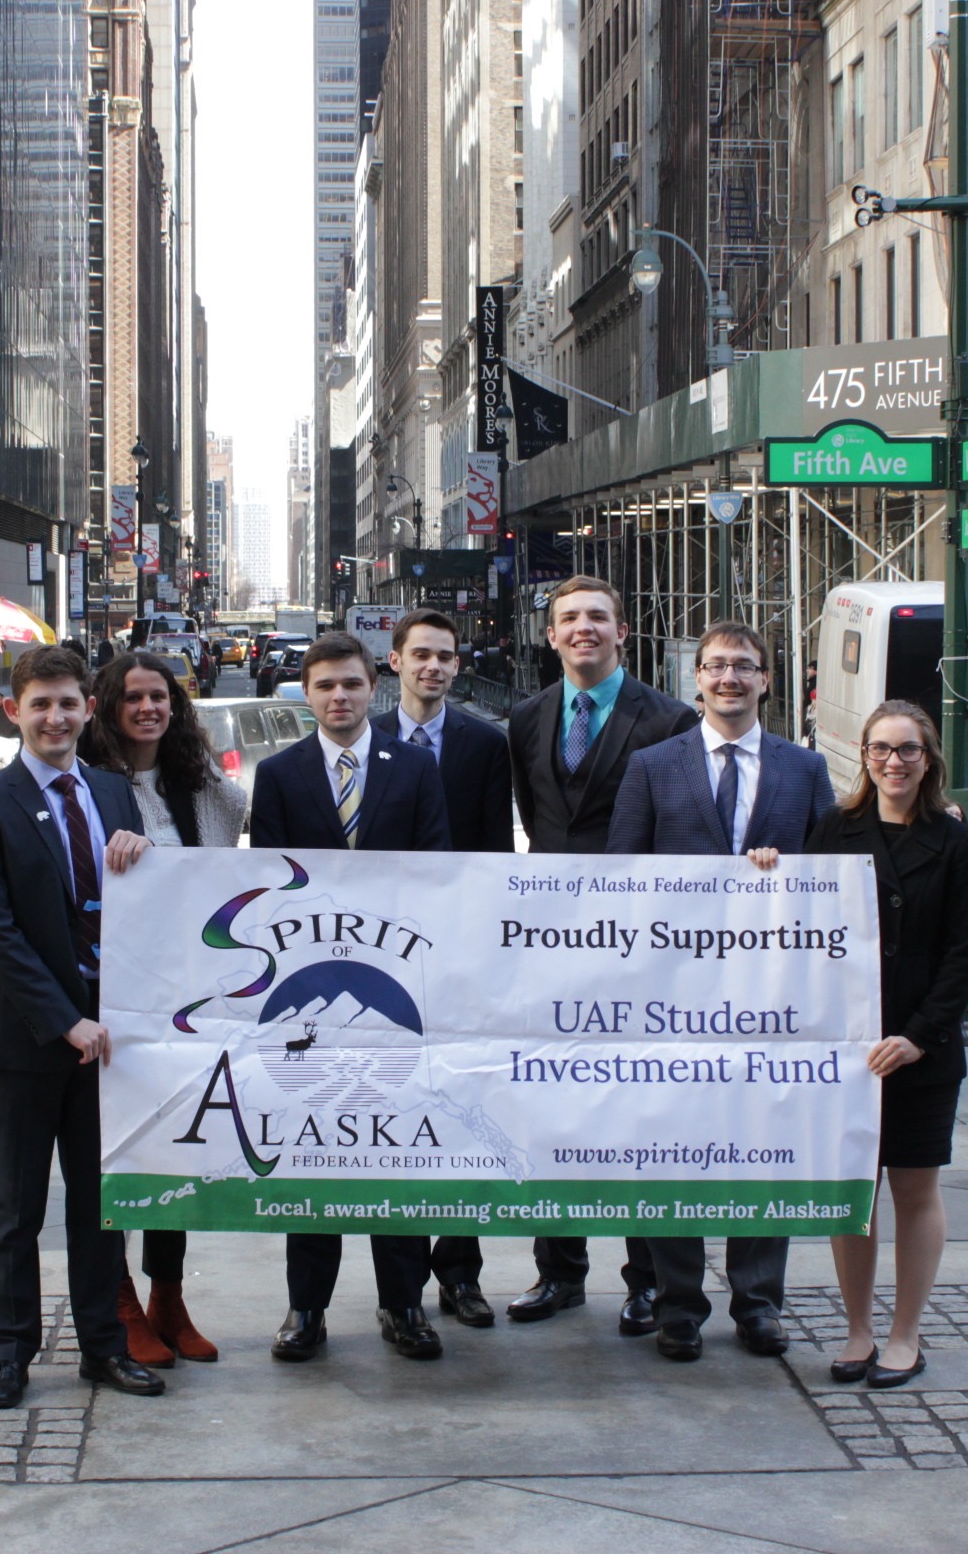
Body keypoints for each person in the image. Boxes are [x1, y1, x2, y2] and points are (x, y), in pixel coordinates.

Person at [603, 621, 832, 1361]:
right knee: (673, 1147)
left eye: (744, 666)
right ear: (694, 679)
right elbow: (622, 881)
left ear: (768, 680)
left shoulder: (804, 770)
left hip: (770, 998)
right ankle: (678, 1305)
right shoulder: (652, 766)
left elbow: (832, 880)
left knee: (762, 1145)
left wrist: (783, 877)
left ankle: (758, 1301)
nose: (729, 678)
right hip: (673, 998)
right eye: (715, 666)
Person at [0, 644, 166, 1406]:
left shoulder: (114, 793)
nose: (55, 717)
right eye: (40, 704)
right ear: (15, 712)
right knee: (13, 1210)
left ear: (87, 709)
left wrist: (141, 854)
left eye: (68, 703)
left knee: (100, 1209)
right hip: (23, 1045)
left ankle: (102, 1348)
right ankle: (8, 1354)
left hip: (107, 1046)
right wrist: (65, 1020)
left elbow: (137, 906)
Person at [503, 575, 699, 1330]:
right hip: (552, 945)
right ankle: (560, 1272)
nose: (583, 629)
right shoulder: (526, 719)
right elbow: (538, 817)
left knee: (640, 1115)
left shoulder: (671, 718)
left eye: (597, 618)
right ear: (550, 636)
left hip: (640, 948)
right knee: (554, 1109)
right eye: (569, 619)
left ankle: (646, 1278)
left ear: (622, 632)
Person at [250, 632, 452, 1364]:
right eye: (326, 686)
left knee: (396, 1151)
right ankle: (306, 1308)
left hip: (393, 986)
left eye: (353, 685)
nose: (340, 697)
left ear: (377, 688)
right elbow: (273, 880)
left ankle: (405, 1305)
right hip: (308, 982)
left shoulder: (416, 768)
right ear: (307, 694)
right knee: (313, 1149)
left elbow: (436, 867)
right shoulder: (278, 775)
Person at [805, 700, 968, 1391]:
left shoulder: (957, 842)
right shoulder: (836, 829)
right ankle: (857, 1331)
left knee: (915, 1189)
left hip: (923, 1052)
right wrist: (766, 865)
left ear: (929, 758)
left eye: (907, 749)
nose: (893, 761)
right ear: (865, 756)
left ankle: (905, 1334)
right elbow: (799, 920)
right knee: (855, 1192)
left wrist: (917, 1037)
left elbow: (964, 955)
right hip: (849, 1053)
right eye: (881, 748)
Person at [80, 650, 243, 1369]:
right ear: (109, 706)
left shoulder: (201, 785)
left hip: (184, 1001)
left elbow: (249, 846)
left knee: (174, 1151)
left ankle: (167, 1299)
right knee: (114, 1156)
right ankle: (119, 1303)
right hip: (111, 1002)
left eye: (160, 697)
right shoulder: (87, 786)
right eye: (133, 697)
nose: (148, 708)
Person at [369, 608, 515, 1329]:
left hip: (461, 954)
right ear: (393, 662)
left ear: (459, 667)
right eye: (420, 654)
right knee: (395, 1117)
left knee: (463, 1112)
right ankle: (399, 1290)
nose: (433, 667)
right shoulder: (361, 741)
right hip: (382, 959)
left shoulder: (486, 747)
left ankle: (460, 1272)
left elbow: (493, 854)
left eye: (446, 657)